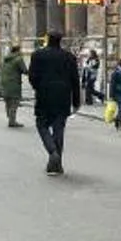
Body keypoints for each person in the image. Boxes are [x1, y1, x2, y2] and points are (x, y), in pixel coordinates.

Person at [27, 31, 80, 175]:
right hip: (63, 97)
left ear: (48, 40)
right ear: (60, 41)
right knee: (59, 129)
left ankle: (52, 152)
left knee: (42, 125)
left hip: (44, 95)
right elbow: (75, 80)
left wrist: (39, 87)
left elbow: (32, 77)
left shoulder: (37, 55)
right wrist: (76, 101)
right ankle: (57, 165)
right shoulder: (69, 57)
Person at [0, 42, 27, 127]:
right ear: (18, 51)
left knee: (8, 102)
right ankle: (12, 121)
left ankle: (10, 118)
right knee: (14, 102)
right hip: (13, 83)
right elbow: (25, 70)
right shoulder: (18, 59)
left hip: (4, 83)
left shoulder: (5, 59)